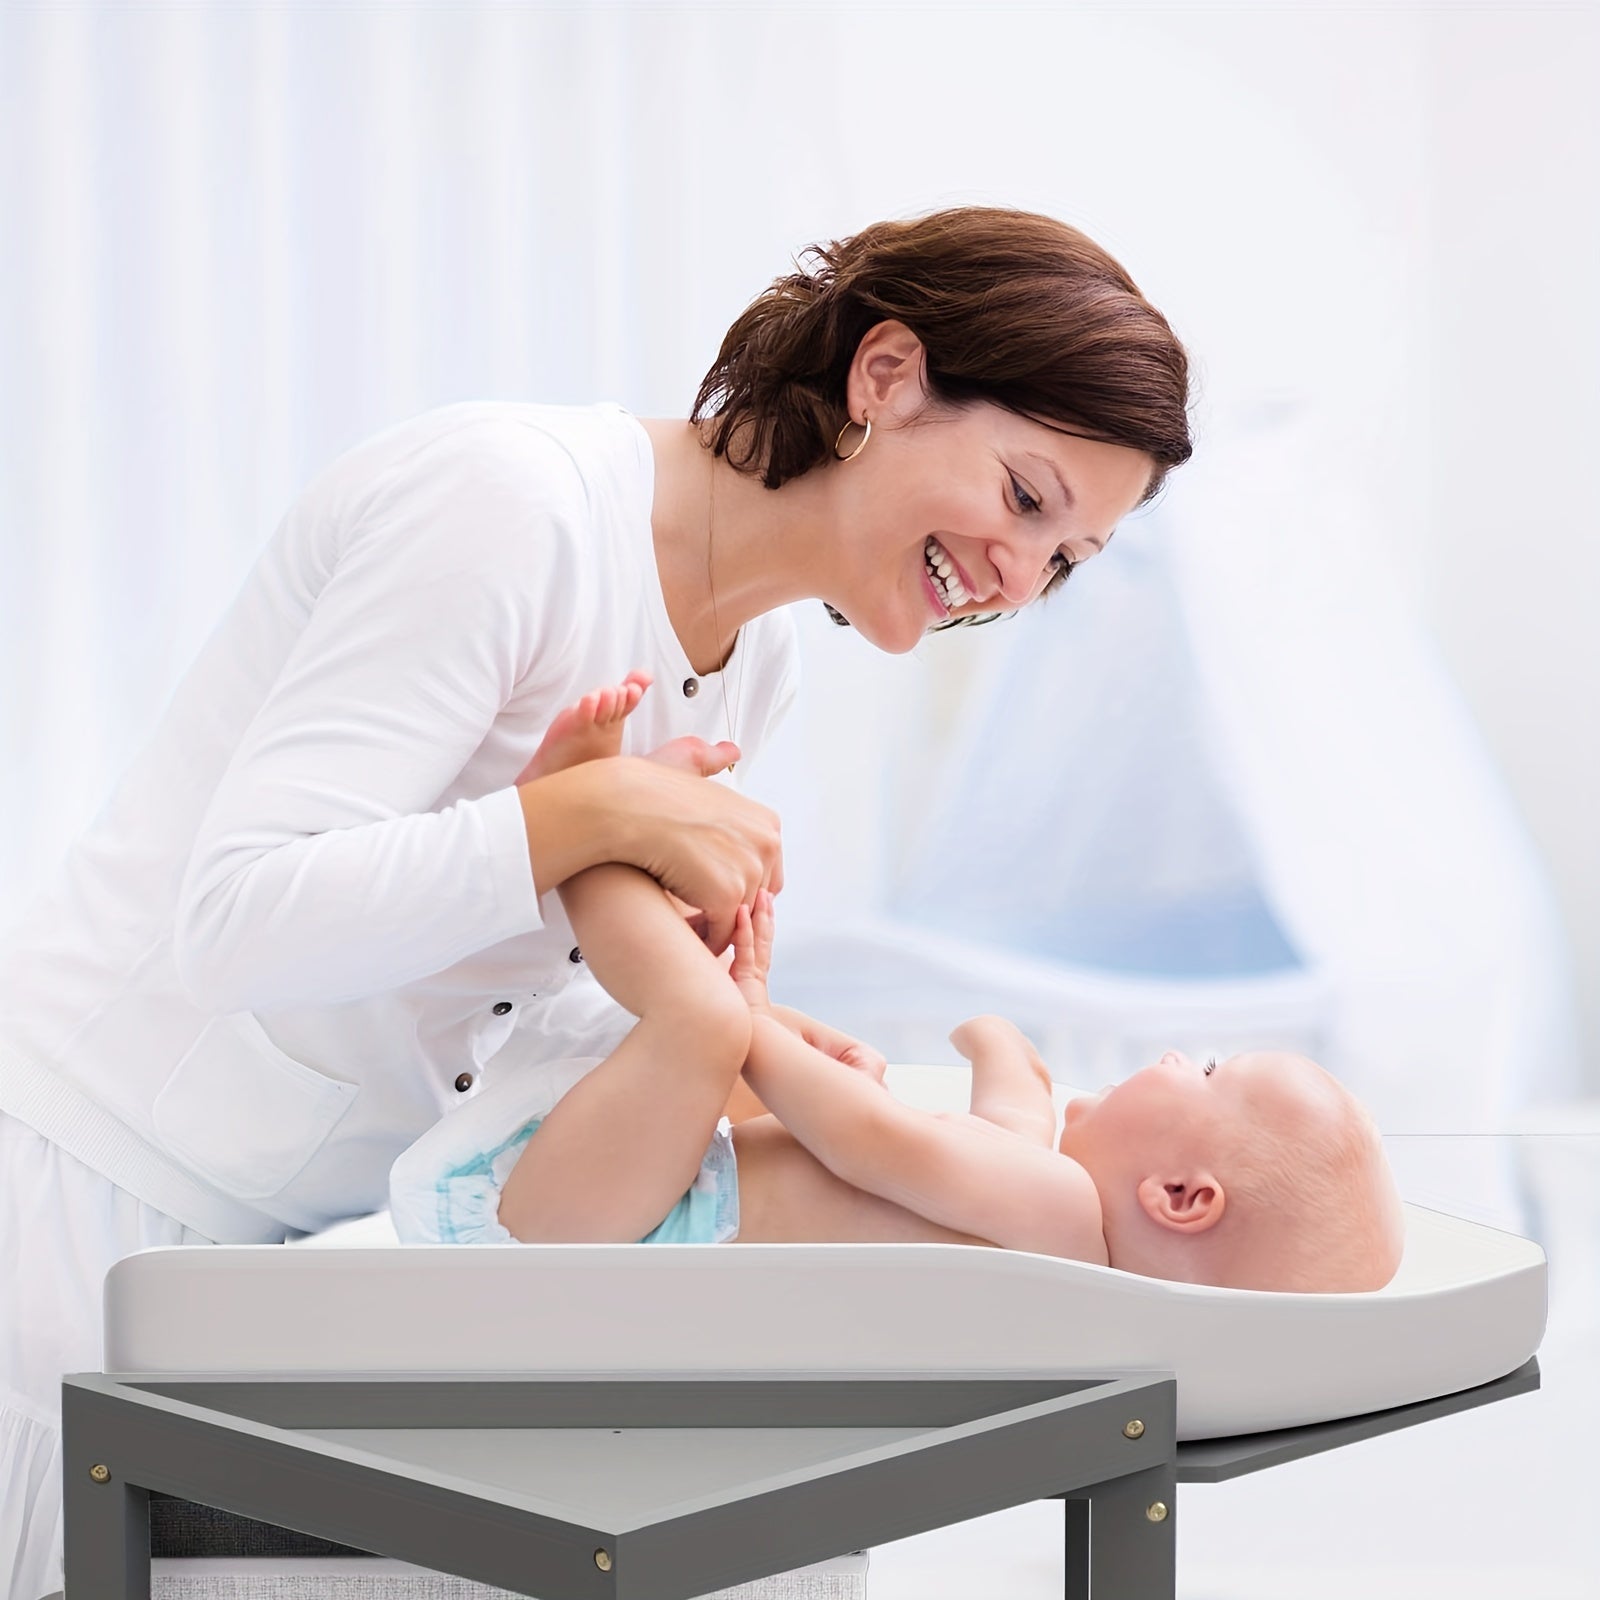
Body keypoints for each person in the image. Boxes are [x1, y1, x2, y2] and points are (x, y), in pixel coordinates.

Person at [0, 205, 1191, 1599]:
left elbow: (523, 990)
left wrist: (751, 1048)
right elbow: (239, 919)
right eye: (1028, 498)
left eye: (1065, 561)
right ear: (886, 377)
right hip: (75, 1193)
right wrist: (581, 817)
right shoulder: (512, 510)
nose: (1018, 574)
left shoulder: (753, 669)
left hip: (268, 1256)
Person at [391, 676, 1406, 1294]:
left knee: (704, 1021)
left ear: (1180, 1196)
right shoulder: (1049, 1218)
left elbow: (879, 1140)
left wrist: (753, 1020)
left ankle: (583, 825)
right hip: (622, 1202)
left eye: (1210, 1072)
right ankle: (602, 836)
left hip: (583, 1229)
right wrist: (994, 1047)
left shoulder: (1056, 1210)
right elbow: (1005, 1120)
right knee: (767, 1041)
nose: (1181, 1056)